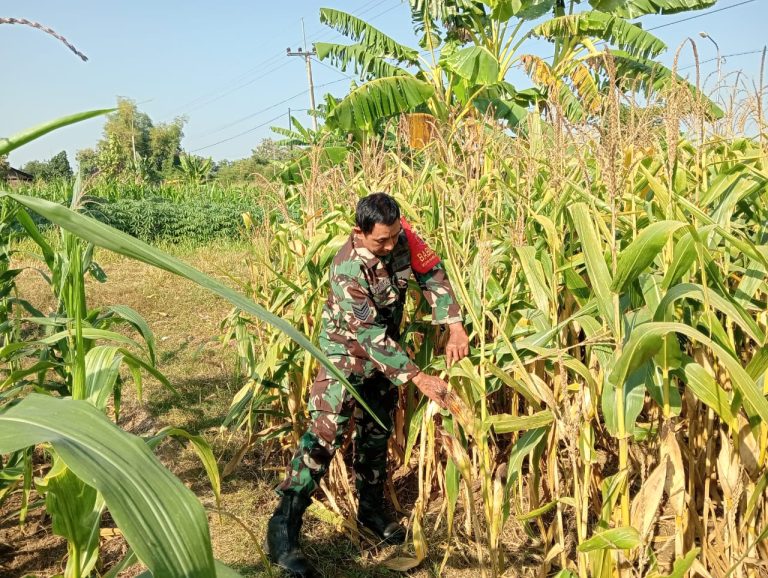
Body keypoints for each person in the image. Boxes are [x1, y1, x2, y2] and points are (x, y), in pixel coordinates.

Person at [266, 192, 469, 577]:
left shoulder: (401, 236)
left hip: (386, 354)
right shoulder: (347, 270)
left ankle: (372, 510)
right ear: (358, 232)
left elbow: (432, 273)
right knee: (325, 435)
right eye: (382, 241)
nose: (392, 245)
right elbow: (368, 334)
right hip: (346, 353)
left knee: (377, 430)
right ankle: (283, 530)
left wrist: (454, 326)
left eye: (395, 236)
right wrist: (418, 377)